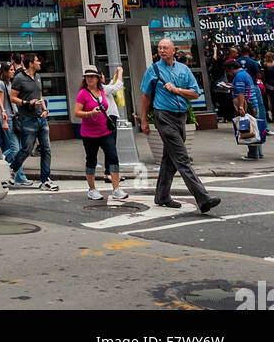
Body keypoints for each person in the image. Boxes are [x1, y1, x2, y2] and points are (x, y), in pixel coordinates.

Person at [140, 37, 220, 213]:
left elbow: (195, 93)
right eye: (159, 48)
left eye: (165, 48)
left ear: (173, 50)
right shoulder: (152, 70)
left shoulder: (183, 70)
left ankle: (162, 196)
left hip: (181, 117)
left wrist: (177, 90)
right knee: (182, 158)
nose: (161, 50)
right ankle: (203, 198)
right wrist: (144, 120)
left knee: (170, 159)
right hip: (163, 116)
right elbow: (146, 96)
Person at [75, 66, 127, 203]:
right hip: (89, 134)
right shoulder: (83, 94)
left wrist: (119, 73)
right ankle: (92, 189)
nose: (89, 79)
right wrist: (90, 113)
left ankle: (116, 189)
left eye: (92, 76)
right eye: (87, 77)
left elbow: (117, 86)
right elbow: (76, 112)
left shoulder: (103, 90)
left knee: (113, 157)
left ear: (98, 78)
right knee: (91, 160)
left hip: (105, 131)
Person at [8, 52, 59, 190]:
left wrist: (45, 109)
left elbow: (39, 94)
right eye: (37, 61)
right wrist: (26, 102)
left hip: (41, 118)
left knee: (46, 148)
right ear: (31, 63)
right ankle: (11, 170)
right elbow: (13, 98)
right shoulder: (19, 78)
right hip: (27, 119)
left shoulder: (38, 77)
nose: (40, 63)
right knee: (27, 149)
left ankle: (45, 179)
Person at [224, 58, 266, 160]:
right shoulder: (245, 74)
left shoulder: (239, 76)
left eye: (228, 71)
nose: (228, 73)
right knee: (255, 128)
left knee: (248, 129)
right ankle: (258, 153)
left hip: (248, 106)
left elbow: (241, 93)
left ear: (232, 68)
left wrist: (241, 107)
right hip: (252, 104)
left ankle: (253, 154)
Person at [0, 61, 29, 185]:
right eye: (10, 70)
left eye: (13, 70)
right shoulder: (1, 84)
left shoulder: (12, 84)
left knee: (18, 149)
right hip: (8, 119)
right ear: (5, 72)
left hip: (15, 118)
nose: (13, 72)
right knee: (15, 149)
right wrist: (3, 120)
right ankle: (19, 177)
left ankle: (1, 162)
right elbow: (1, 104)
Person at [262, 52, 274, 123]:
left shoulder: (265, 65)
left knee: (270, 101)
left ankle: (272, 115)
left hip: (268, 85)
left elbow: (263, 77)